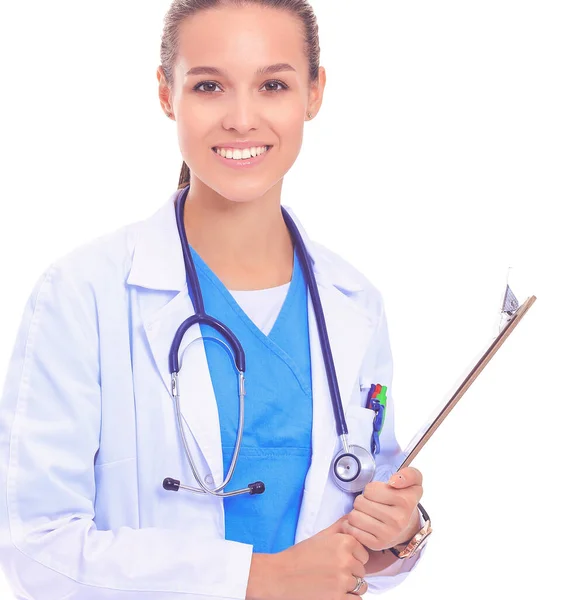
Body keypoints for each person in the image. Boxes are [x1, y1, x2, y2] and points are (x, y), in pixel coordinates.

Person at [0, 1, 430, 598]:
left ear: (314, 92)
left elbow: (362, 518)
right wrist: (257, 580)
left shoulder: (352, 302)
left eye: (273, 84)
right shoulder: (82, 294)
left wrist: (401, 532)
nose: (242, 118)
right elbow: (33, 548)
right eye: (209, 87)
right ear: (166, 93)